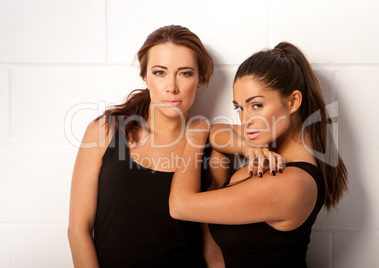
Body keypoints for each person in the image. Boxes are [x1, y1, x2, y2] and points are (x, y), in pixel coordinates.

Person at [169, 42, 348, 267]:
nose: (245, 119)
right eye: (239, 108)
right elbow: (217, 133)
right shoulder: (270, 148)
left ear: (293, 102)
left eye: (256, 105)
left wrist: (195, 136)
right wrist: (247, 148)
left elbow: (180, 206)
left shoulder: (292, 182)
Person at [68, 25, 225, 267]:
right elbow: (78, 230)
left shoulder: (208, 149)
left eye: (184, 73)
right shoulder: (104, 131)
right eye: (160, 72)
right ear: (145, 76)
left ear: (201, 79)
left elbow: (211, 247)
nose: (171, 86)